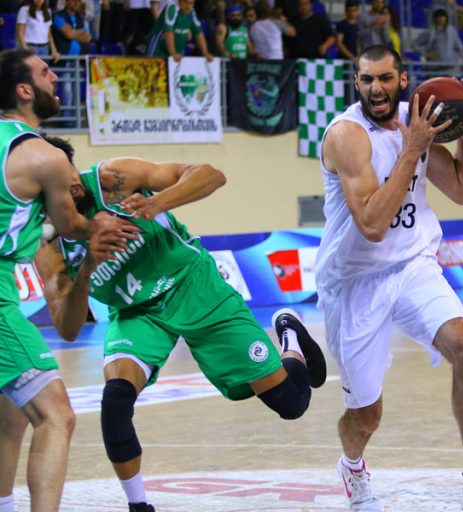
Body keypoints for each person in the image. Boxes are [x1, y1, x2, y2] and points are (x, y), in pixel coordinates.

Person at [32, 136, 328, 512]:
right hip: (138, 312)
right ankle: (139, 505)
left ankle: (290, 334)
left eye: (70, 171)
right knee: (115, 399)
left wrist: (156, 203)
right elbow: (68, 328)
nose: (72, 183)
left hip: (192, 284)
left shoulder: (112, 179)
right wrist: (88, 266)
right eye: (58, 182)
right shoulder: (49, 244)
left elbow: (212, 175)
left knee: (291, 403)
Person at [316, 44, 463, 512]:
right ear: (356, 83)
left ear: (402, 80)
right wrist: (412, 149)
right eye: (367, 79)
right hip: (355, 281)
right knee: (366, 415)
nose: (376, 88)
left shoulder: (419, 119)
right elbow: (372, 225)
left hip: (413, 265)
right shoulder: (347, 136)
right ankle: (352, 467)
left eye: (385, 78)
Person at [0, 48, 138, 512]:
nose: (56, 77)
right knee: (57, 415)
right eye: (45, 72)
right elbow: (73, 226)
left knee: (10, 414)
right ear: (24, 90)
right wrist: (100, 225)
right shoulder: (44, 157)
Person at [146, 0, 213, 61]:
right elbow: (168, 32)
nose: (188, 6)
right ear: (179, 1)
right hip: (158, 49)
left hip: (176, 52)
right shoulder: (172, 7)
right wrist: (173, 53)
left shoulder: (191, 12)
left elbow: (199, 33)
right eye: (186, 2)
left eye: (191, 3)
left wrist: (205, 53)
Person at [413, 8, 463, 76]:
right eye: (439, 17)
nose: (441, 19)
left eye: (443, 17)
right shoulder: (430, 32)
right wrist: (426, 53)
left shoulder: (452, 31)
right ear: (435, 19)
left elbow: (459, 47)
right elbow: (415, 44)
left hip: (450, 68)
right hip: (435, 69)